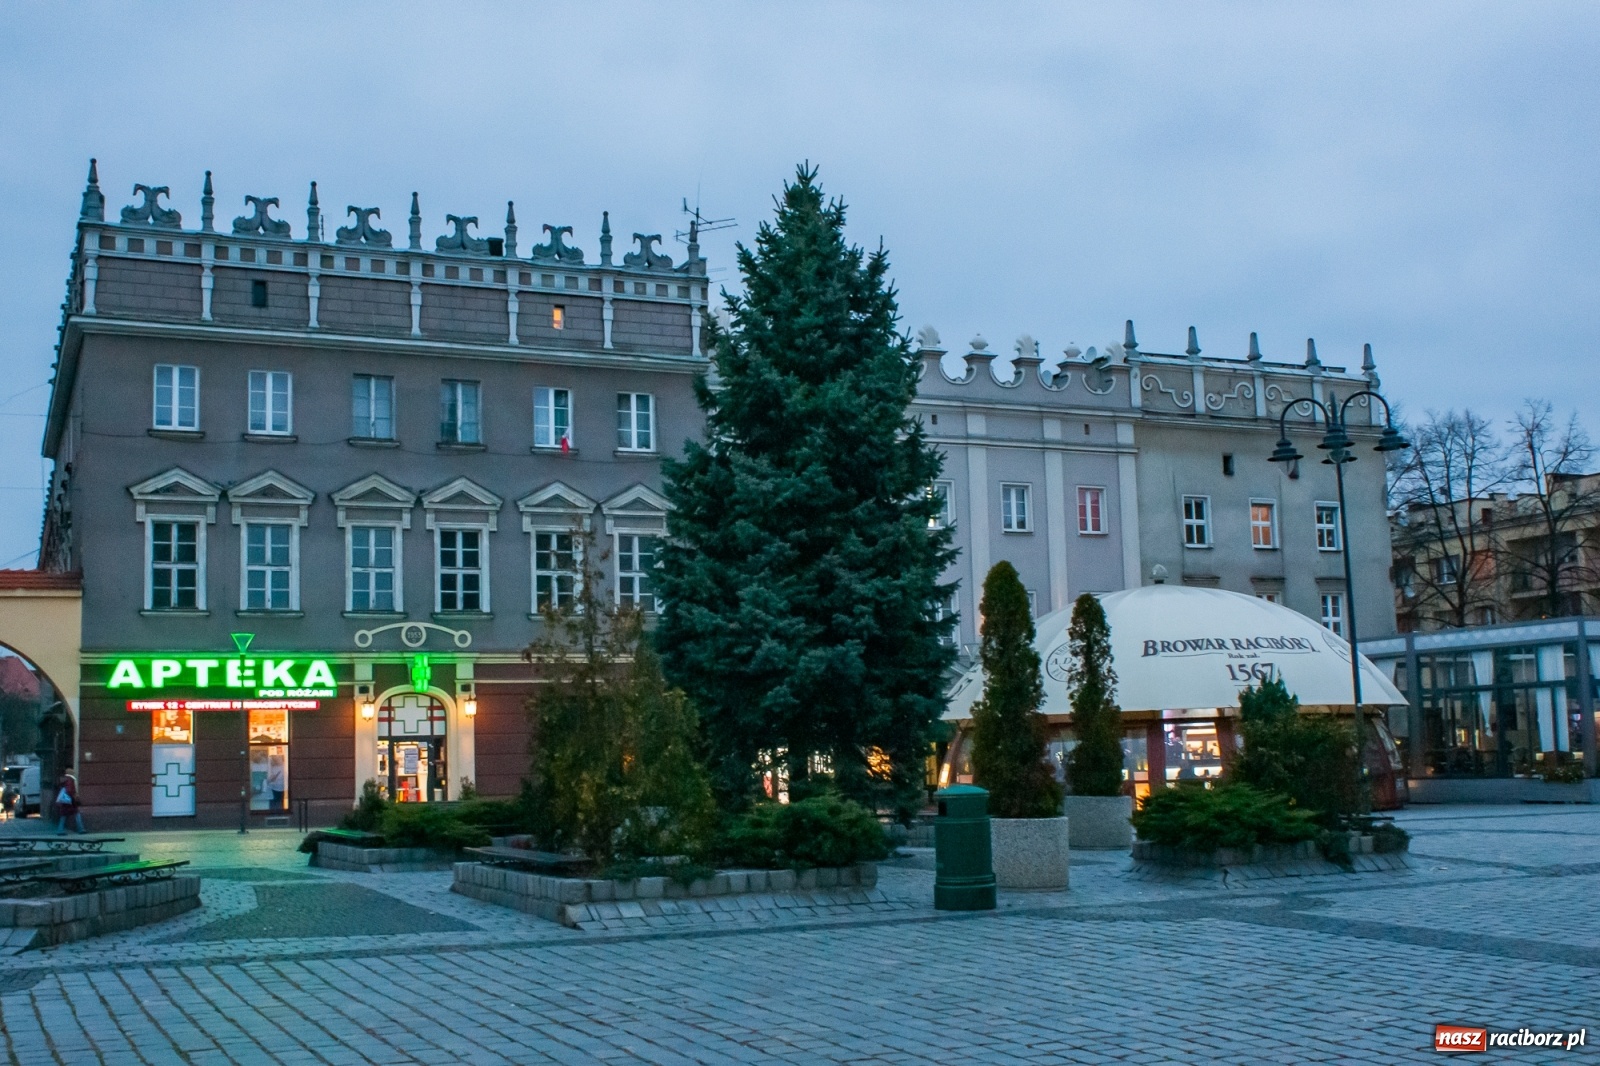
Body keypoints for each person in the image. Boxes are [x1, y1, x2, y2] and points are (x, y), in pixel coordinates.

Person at [55, 769, 85, 835]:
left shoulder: (63, 779)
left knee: (63, 816)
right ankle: (81, 829)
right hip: (70, 801)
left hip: (65, 801)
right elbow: (70, 790)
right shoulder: (70, 780)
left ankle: (60, 830)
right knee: (77, 814)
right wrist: (74, 797)